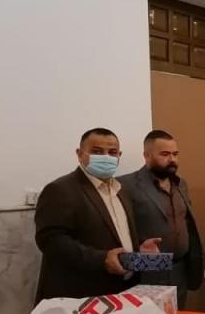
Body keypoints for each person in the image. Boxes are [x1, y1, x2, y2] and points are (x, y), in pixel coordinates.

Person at [35, 128, 161, 302]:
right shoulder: (61, 190)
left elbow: (116, 234)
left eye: (112, 152)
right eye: (97, 152)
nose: (106, 157)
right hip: (81, 295)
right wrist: (101, 259)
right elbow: (52, 242)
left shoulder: (121, 190)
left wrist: (139, 250)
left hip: (122, 290)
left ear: (119, 156)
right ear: (80, 154)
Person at [119, 130, 204, 309]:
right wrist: (137, 251)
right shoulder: (126, 185)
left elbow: (188, 224)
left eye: (175, 154)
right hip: (147, 270)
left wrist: (198, 261)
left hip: (179, 269)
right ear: (147, 155)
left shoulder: (180, 184)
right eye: (164, 154)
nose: (172, 159)